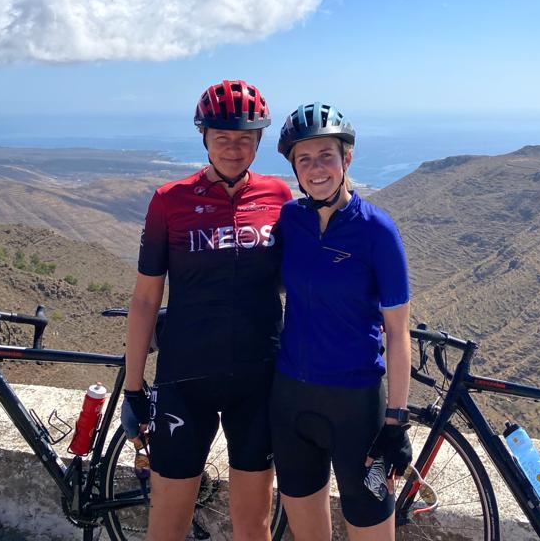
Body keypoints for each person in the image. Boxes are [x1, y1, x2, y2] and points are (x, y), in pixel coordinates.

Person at [121, 79, 291, 541]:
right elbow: (144, 298)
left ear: (258, 140)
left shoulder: (279, 197)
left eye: (244, 138)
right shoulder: (169, 201)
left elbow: (302, 285)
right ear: (204, 138)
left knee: (254, 526)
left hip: (258, 379)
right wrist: (133, 387)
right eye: (222, 138)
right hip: (185, 380)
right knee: (167, 527)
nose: (233, 149)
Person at [271, 103, 411, 541]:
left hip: (358, 409)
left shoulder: (376, 231)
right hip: (291, 399)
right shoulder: (291, 221)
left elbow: (398, 332)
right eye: (304, 159)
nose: (316, 169)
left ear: (346, 159)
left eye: (326, 156)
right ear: (294, 166)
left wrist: (397, 421)